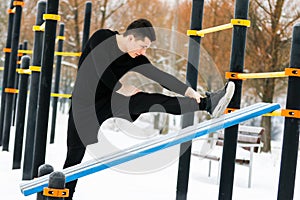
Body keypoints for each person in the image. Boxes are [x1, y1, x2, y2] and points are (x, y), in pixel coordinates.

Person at [63, 18, 235, 199]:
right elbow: (101, 69)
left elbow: (161, 77)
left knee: (148, 101)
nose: (143, 51)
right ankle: (64, 194)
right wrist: (123, 88)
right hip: (83, 106)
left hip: (111, 100)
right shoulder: (102, 38)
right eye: (142, 46)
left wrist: (189, 91)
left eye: (146, 48)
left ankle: (207, 104)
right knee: (75, 158)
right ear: (130, 38)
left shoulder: (134, 58)